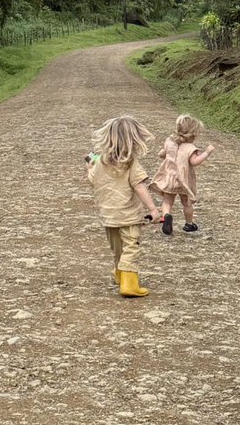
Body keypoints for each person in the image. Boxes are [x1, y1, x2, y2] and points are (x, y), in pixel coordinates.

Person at [86, 115, 162, 298]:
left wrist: (89, 168)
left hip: (108, 216)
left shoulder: (100, 163)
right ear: (134, 141)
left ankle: (120, 274)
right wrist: (153, 209)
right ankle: (129, 283)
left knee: (117, 248)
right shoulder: (131, 164)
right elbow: (140, 187)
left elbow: (92, 181)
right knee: (130, 247)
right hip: (128, 217)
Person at [151, 114, 215, 236]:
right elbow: (194, 161)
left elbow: (161, 154)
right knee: (187, 203)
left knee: (167, 202)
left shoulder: (169, 142)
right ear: (192, 135)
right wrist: (206, 153)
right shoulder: (190, 147)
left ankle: (166, 217)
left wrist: (165, 153)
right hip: (183, 180)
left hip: (169, 177)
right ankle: (189, 224)